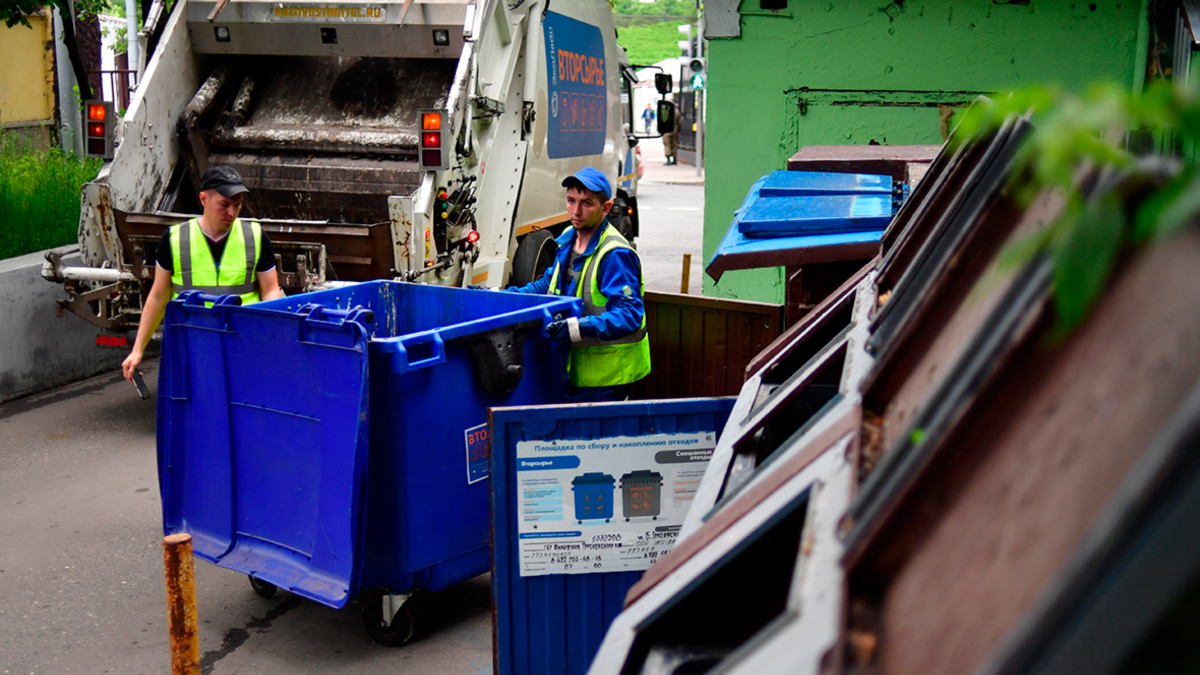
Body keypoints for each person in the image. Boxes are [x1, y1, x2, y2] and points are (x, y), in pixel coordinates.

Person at [122, 165, 284, 382]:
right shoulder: (175, 239)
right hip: (192, 346)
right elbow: (159, 296)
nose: (232, 213)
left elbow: (271, 290)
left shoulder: (254, 236)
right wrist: (137, 349)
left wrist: (272, 337)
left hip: (243, 342)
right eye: (224, 205)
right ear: (203, 199)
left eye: (238, 205)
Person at [510, 167, 650, 398]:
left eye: (586, 203)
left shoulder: (614, 254)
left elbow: (630, 315)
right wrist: (504, 296)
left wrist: (575, 327)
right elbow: (546, 286)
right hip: (575, 371)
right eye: (571, 201)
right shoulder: (569, 239)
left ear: (605, 208)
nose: (576, 211)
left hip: (609, 378)